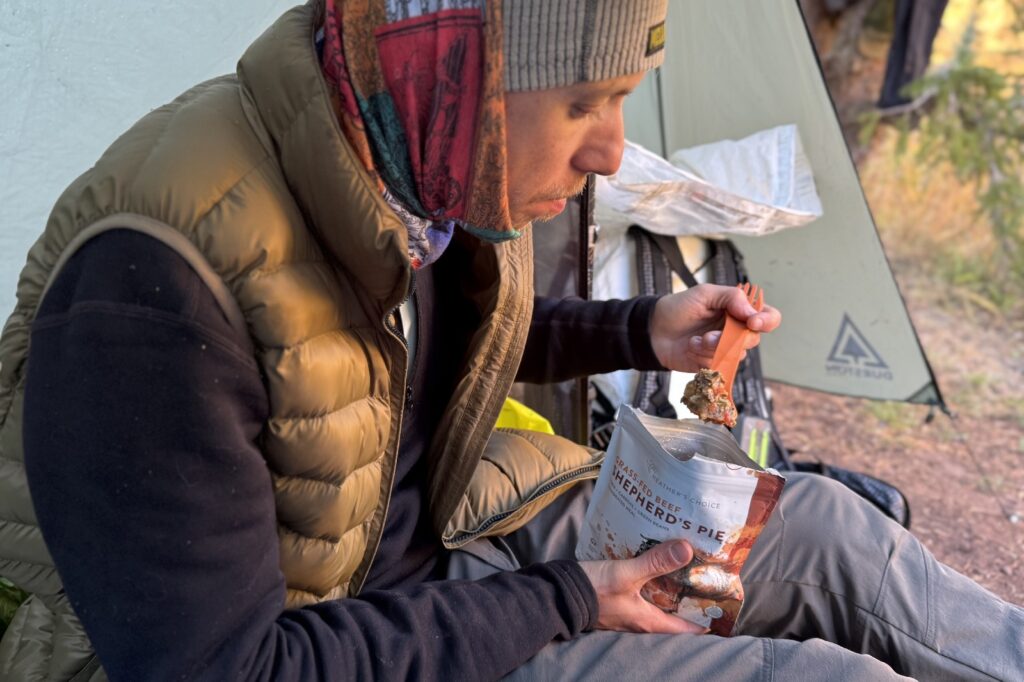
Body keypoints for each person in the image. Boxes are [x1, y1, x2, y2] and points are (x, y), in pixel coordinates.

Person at [0, 1, 1019, 680]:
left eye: (618, 100)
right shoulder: (152, 299)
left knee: (834, 536)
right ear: (453, 71)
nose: (611, 149)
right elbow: (227, 667)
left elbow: (393, 352)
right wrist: (569, 600)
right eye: (583, 101)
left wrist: (637, 331)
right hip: (329, 640)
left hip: (444, 543)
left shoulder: (407, 163)